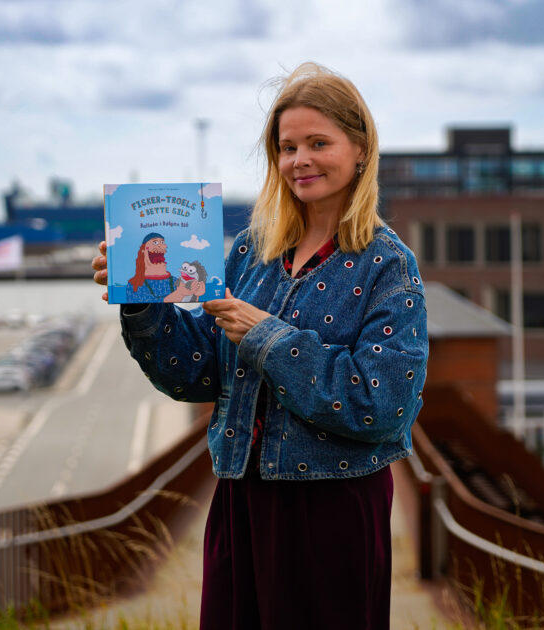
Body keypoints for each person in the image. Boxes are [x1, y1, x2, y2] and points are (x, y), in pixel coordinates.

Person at [92, 62, 428, 629]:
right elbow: (197, 374)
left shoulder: (389, 266)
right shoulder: (252, 250)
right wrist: (143, 301)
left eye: (319, 143)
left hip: (333, 510)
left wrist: (267, 336)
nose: (300, 160)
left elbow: (382, 402)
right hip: (239, 501)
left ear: (361, 149)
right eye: (287, 146)